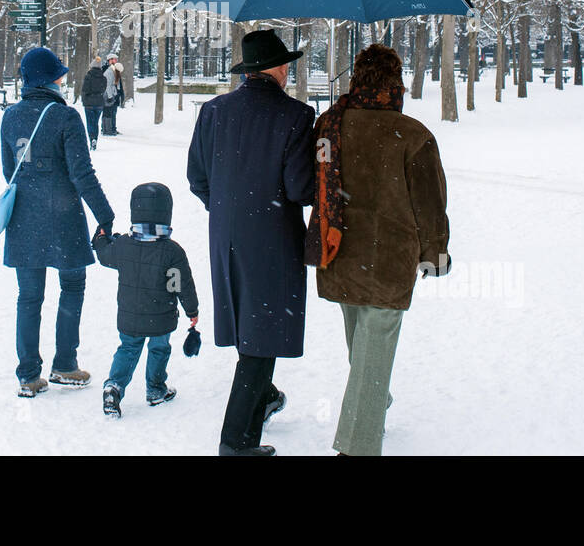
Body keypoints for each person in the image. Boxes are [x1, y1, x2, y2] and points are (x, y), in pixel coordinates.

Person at [309, 44, 451, 456]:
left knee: (363, 347)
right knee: (372, 352)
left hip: (339, 256)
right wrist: (436, 253)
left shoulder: (328, 127)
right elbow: (430, 204)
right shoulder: (413, 135)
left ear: (356, 79)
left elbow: (315, 186)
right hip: (389, 261)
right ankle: (358, 445)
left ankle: (372, 403)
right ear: (396, 83)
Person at [187, 28, 315, 456]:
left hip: (225, 237)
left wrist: (228, 208)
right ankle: (236, 443)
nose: (287, 70)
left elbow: (197, 178)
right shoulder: (296, 115)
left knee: (251, 328)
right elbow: (300, 189)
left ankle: (264, 398)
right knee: (260, 339)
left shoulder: (214, 111)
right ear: (276, 69)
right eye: (285, 64)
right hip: (273, 240)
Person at [1, 46, 114, 398]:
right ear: (49, 79)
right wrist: (105, 214)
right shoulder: (66, 117)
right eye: (59, 74)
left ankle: (29, 374)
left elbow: (10, 171)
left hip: (24, 218)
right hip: (63, 216)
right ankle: (65, 363)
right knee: (72, 286)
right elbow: (82, 174)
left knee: (29, 296)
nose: (64, 79)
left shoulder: (10, 116)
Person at [92, 183, 199, 418]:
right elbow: (180, 285)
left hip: (130, 313)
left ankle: (114, 387)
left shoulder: (123, 245)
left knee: (128, 348)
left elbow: (104, 256)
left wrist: (100, 240)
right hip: (162, 315)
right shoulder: (172, 252)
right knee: (159, 349)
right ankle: (156, 389)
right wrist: (192, 310)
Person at [79, 56, 107, 150]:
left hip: (89, 103)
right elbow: (104, 89)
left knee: (90, 122)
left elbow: (85, 90)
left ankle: (92, 139)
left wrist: (84, 99)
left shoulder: (88, 77)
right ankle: (95, 138)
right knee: (95, 122)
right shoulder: (103, 78)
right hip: (99, 102)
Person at [101, 54, 124, 136]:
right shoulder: (107, 70)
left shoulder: (115, 70)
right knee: (108, 112)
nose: (116, 61)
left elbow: (118, 83)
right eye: (114, 59)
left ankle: (112, 128)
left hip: (114, 94)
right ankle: (107, 129)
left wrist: (119, 93)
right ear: (109, 60)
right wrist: (110, 96)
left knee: (112, 112)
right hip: (108, 95)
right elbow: (108, 85)